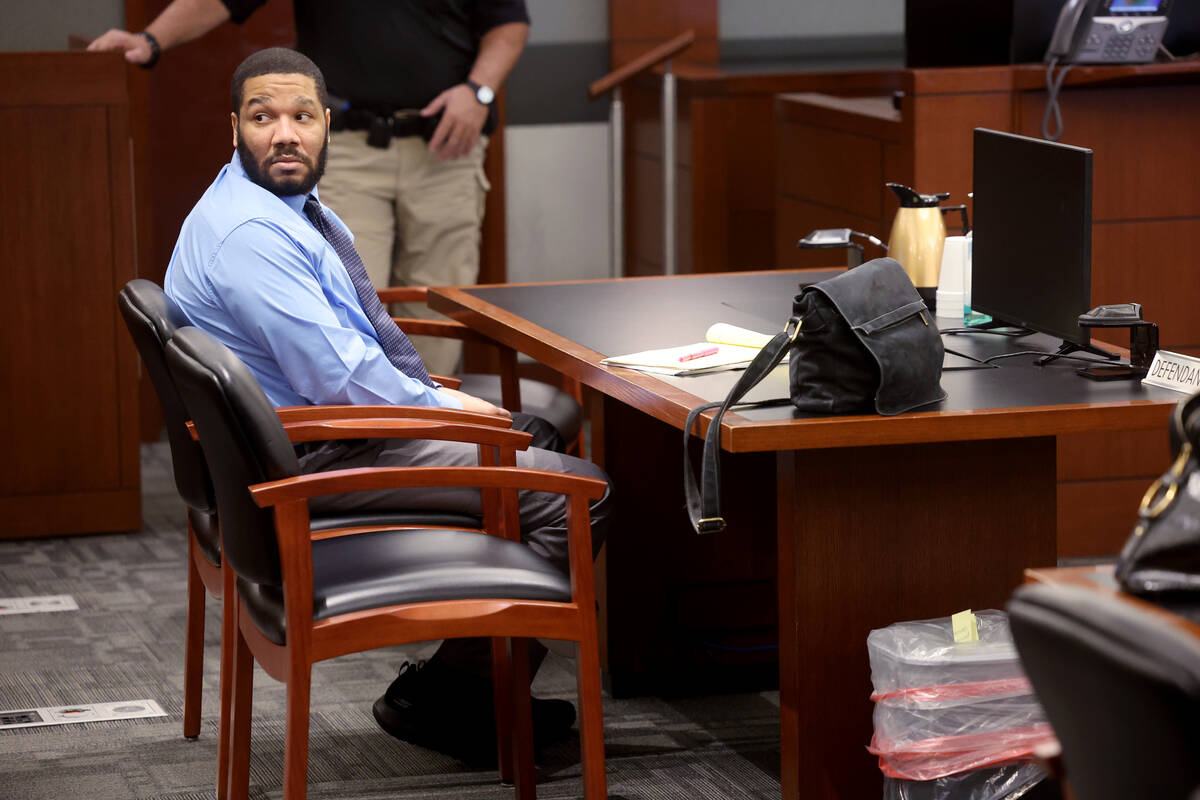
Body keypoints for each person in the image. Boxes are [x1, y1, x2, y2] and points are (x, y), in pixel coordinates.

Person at [165, 47, 611, 764]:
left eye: (302, 116)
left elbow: (347, 352)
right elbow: (342, 382)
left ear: (326, 127)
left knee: (537, 435)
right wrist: (455, 411)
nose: (285, 133)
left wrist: (443, 401)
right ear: (235, 129)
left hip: (310, 436)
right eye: (263, 117)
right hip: (318, 457)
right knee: (579, 497)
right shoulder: (252, 235)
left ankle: (460, 683)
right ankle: (455, 700)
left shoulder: (274, 207)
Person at [90, 0, 529, 377]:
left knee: (439, 306)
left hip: (447, 151)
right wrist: (149, 40)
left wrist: (479, 92)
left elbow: (507, 20)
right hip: (348, 150)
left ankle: (432, 440)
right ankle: (360, 457)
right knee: (344, 305)